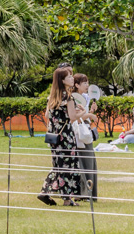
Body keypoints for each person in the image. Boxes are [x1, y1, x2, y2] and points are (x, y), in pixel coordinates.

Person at [38, 67, 83, 206]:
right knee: (69, 166)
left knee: (58, 166)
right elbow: (72, 117)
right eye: (69, 77)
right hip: (66, 136)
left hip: (54, 136)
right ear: (62, 80)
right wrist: (82, 112)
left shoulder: (52, 96)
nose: (72, 78)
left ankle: (45, 191)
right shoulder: (68, 96)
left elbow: (47, 115)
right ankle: (67, 199)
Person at [71, 70, 99, 200]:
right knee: (82, 161)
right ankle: (82, 193)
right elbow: (76, 117)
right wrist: (89, 115)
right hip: (78, 132)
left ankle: (89, 192)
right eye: (84, 83)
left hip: (85, 131)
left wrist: (91, 110)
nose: (87, 85)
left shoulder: (86, 97)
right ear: (76, 85)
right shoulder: (73, 98)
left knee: (89, 161)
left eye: (87, 82)